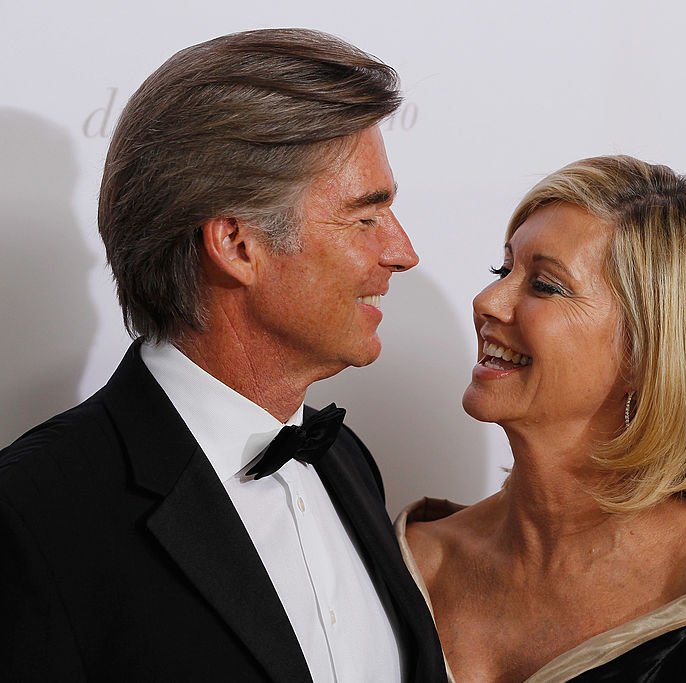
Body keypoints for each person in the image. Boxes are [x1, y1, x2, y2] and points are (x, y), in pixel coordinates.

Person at [0, 29, 445, 682]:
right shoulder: (33, 515)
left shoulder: (346, 460)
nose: (403, 251)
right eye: (364, 216)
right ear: (236, 244)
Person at [399, 156, 686, 682]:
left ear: (650, 351)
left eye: (544, 285)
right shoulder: (408, 559)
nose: (488, 300)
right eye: (503, 270)